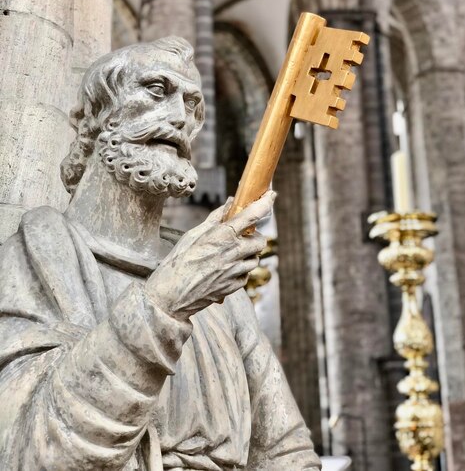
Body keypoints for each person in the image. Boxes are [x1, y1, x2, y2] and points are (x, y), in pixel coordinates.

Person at [0, 36, 321, 471]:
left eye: (193, 106)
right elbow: (34, 448)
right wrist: (167, 301)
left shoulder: (217, 286)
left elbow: (285, 449)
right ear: (92, 117)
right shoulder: (30, 258)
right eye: (156, 90)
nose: (179, 118)